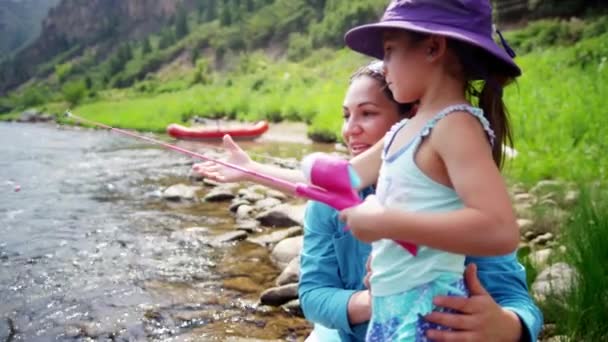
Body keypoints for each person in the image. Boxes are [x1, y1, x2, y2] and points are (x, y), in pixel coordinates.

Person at [192, 59, 542, 341]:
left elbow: (517, 300)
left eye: (368, 113)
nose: (350, 129)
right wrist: (375, 301)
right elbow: (313, 295)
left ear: (410, 122)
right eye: (347, 115)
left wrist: (506, 327)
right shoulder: (330, 201)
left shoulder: (456, 198)